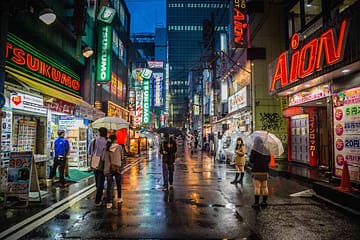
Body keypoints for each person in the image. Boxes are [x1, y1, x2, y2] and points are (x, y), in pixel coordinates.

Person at [88, 127, 108, 206]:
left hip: (95, 162)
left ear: (99, 132)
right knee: (101, 180)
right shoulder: (107, 142)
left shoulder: (93, 141)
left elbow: (89, 152)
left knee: (97, 180)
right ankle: (98, 199)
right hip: (103, 162)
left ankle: (98, 195)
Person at [249, 137, 270, 209]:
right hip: (265, 171)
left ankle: (256, 203)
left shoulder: (254, 150)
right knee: (265, 187)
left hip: (257, 170)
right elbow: (269, 160)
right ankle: (264, 202)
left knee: (257, 187)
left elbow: (251, 160)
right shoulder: (266, 150)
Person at [103, 134, 124, 208]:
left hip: (108, 168)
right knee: (118, 184)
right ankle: (119, 198)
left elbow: (103, 158)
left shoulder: (106, 147)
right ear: (115, 140)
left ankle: (109, 202)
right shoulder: (119, 147)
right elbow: (122, 156)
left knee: (109, 185)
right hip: (117, 167)